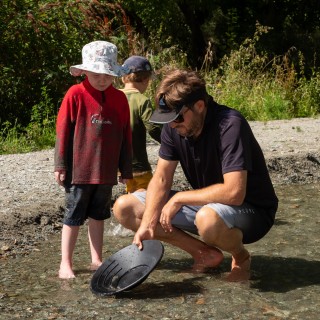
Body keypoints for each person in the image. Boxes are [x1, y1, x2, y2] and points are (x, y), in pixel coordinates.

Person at [113, 69, 278, 282]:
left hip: (253, 211)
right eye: (167, 119)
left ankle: (241, 257)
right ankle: (204, 254)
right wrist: (147, 222)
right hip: (207, 205)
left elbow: (235, 193)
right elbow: (162, 178)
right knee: (125, 207)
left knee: (207, 219)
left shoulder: (230, 125)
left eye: (177, 118)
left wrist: (180, 198)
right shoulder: (174, 127)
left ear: (199, 106)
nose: (172, 124)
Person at [54, 41, 133, 279]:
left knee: (100, 214)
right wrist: (60, 165)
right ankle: (65, 263)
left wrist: (126, 168)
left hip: (106, 170)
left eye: (108, 75)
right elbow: (62, 131)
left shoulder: (119, 99)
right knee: (73, 215)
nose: (102, 80)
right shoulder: (75, 94)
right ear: (85, 71)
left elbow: (125, 135)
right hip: (79, 169)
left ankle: (96, 258)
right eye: (97, 74)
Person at [120, 55, 161, 193]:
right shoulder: (142, 100)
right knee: (147, 195)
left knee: (131, 192)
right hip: (138, 165)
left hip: (117, 163)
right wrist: (169, 141)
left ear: (123, 77)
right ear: (145, 80)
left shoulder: (113, 97)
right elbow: (153, 128)